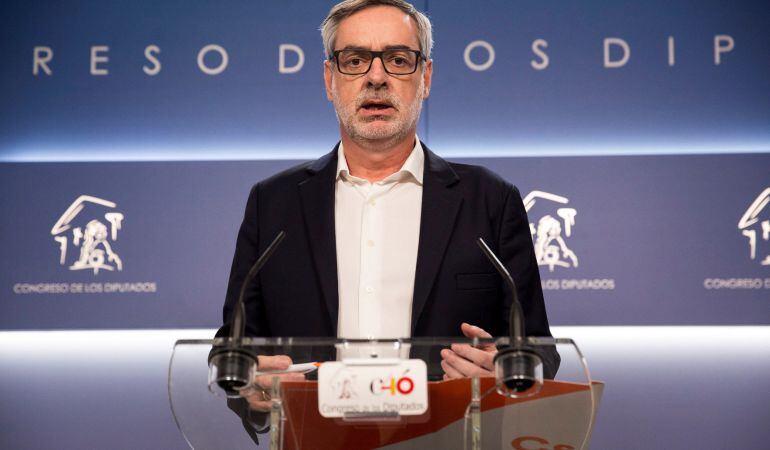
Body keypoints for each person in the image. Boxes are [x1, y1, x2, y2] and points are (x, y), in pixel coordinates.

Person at [216, 0, 558, 415]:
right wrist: (249, 385)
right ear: (329, 79)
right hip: (314, 438)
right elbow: (232, 351)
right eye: (355, 60)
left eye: (398, 60)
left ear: (425, 77)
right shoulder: (274, 204)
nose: (376, 78)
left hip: (447, 437)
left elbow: (538, 352)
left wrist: (500, 374)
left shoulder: (490, 200)